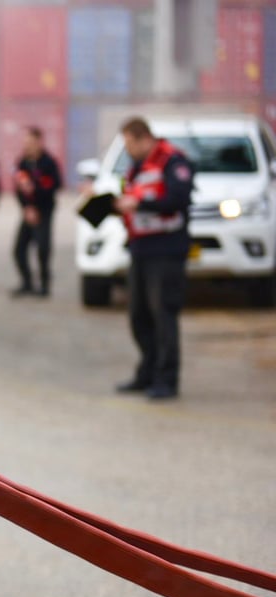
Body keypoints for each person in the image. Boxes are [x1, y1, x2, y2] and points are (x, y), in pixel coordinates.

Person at [112, 117, 195, 401]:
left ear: (143, 138)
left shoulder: (174, 162)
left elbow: (178, 199)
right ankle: (146, 373)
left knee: (163, 316)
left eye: (129, 143)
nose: (128, 149)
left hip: (167, 251)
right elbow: (131, 196)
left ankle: (167, 379)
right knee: (139, 316)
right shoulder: (136, 167)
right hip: (141, 249)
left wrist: (141, 204)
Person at [10, 126, 63, 298]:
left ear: (39, 142)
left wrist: (37, 191)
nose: (28, 146)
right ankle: (27, 282)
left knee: (43, 249)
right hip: (28, 212)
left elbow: (55, 186)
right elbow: (18, 189)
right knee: (18, 250)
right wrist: (26, 207)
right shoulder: (22, 163)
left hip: (44, 211)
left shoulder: (49, 163)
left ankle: (45, 285)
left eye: (31, 142)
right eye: (26, 142)